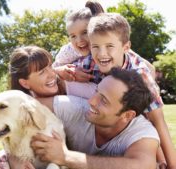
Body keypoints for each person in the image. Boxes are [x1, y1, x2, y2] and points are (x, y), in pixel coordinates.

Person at [71, 12, 175, 169]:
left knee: (146, 123)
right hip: (109, 107)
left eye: (109, 46)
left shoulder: (141, 77)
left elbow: (158, 121)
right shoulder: (89, 62)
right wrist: (61, 71)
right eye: (95, 47)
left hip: (135, 111)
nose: (101, 53)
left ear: (125, 47)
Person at [31, 68, 160, 169]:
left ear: (127, 115)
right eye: (96, 91)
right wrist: (16, 159)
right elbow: (21, 105)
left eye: (103, 100)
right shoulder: (74, 107)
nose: (91, 101)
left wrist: (66, 156)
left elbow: (143, 166)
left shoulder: (142, 132)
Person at [52, 1, 155, 99]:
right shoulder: (70, 50)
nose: (79, 40)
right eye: (73, 36)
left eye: (84, 32)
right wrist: (62, 71)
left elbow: (150, 69)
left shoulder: (118, 50)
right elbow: (52, 70)